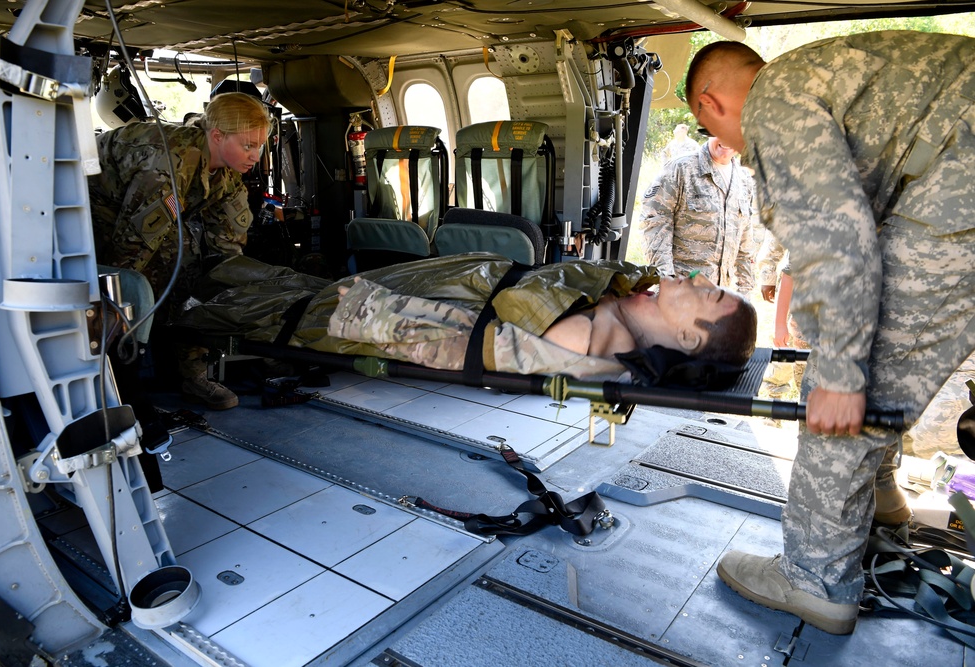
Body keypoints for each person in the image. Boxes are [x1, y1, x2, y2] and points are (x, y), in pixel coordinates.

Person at [686, 31, 975, 635]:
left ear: (712, 102)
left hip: (960, 193)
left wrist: (840, 375)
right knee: (869, 355)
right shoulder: (826, 78)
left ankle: (814, 578)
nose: (723, 145)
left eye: (708, 128)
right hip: (954, 171)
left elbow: (838, 246)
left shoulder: (773, 103)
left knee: (839, 395)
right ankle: (884, 500)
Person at [179, 252, 758, 380]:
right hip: (445, 278)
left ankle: (182, 312)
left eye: (708, 295)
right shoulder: (631, 299)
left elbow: (440, 339)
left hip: (404, 303)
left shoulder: (583, 338)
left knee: (272, 306)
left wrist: (357, 313)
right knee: (272, 281)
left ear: (686, 336)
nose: (699, 280)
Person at [89, 92, 272, 410]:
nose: (256, 156)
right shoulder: (170, 164)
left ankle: (193, 375)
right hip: (94, 200)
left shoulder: (228, 170)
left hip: (138, 207)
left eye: (260, 145)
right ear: (217, 136)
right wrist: (129, 296)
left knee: (192, 271)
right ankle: (109, 381)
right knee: (126, 283)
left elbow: (227, 246)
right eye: (248, 145)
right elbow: (132, 245)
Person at [638, 136, 758, 294]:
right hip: (682, 293)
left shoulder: (743, 181)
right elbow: (654, 223)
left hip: (719, 297)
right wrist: (667, 282)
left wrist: (745, 291)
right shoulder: (681, 168)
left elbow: (744, 244)